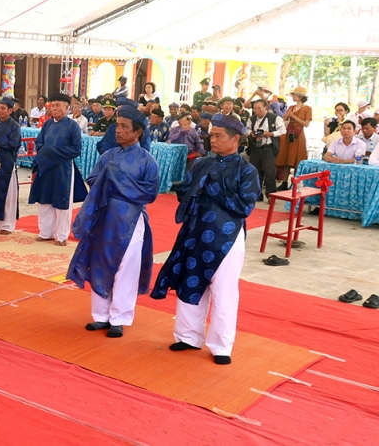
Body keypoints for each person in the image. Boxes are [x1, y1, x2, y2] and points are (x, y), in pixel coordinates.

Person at [151, 114, 260, 365]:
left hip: (228, 238)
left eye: (219, 136)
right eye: (212, 135)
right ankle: (188, 336)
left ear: (235, 139)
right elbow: (184, 192)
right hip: (195, 233)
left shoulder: (247, 170)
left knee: (224, 292)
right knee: (190, 284)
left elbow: (244, 207)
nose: (213, 140)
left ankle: (221, 346)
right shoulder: (201, 164)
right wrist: (188, 190)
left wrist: (211, 189)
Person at [67, 105, 158, 338]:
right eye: (117, 126)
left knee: (126, 266)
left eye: (124, 127)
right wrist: (107, 181)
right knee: (100, 261)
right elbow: (93, 178)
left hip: (130, 220)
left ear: (137, 132)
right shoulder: (107, 155)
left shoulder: (147, 161)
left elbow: (150, 193)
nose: (118, 131)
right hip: (103, 217)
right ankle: (100, 315)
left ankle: (119, 317)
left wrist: (115, 183)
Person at [29, 94, 85, 247]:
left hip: (63, 168)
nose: (54, 108)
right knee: (44, 200)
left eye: (58, 105)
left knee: (62, 202)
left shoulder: (73, 126)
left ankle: (61, 236)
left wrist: (53, 151)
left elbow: (76, 149)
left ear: (67, 108)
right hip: (46, 167)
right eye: (52, 105)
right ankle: (45, 233)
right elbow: (40, 143)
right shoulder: (47, 125)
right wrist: (45, 152)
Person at [0, 98, 21, 235]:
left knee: (6, 193)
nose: (0, 111)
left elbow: (13, 144)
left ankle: (7, 224)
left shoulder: (14, 126)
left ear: (10, 110)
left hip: (6, 163)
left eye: (3, 108)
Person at [246, 99, 285, 200]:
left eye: (259, 108)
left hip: (268, 148)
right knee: (255, 172)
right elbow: (247, 129)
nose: (257, 111)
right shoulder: (252, 119)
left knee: (269, 172)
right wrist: (251, 133)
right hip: (255, 148)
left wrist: (271, 134)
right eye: (255, 109)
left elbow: (283, 130)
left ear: (266, 108)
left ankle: (271, 195)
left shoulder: (274, 118)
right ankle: (257, 195)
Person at [276, 87, 312, 189]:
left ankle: (295, 183)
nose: (293, 96)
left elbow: (306, 124)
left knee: (297, 159)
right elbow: (285, 120)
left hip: (298, 135)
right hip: (288, 133)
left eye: (294, 95)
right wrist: (286, 116)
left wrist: (293, 116)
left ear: (300, 97)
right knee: (286, 157)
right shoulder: (291, 107)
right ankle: (284, 182)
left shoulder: (307, 108)